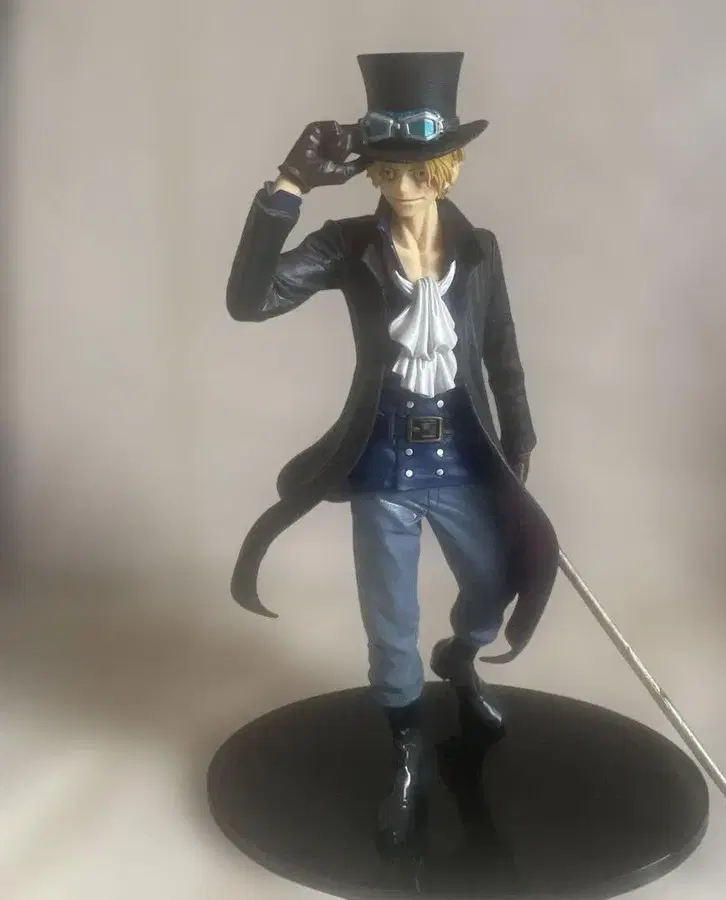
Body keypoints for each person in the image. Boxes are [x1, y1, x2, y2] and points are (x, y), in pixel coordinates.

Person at [225, 51, 559, 851]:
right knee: (390, 623)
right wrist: (288, 187)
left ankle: (462, 659)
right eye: (386, 168)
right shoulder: (348, 246)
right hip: (382, 464)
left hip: (462, 457)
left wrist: (518, 434)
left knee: (494, 585)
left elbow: (502, 354)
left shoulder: (479, 251)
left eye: (416, 169)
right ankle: (408, 751)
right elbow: (250, 300)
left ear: (445, 169)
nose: (400, 183)